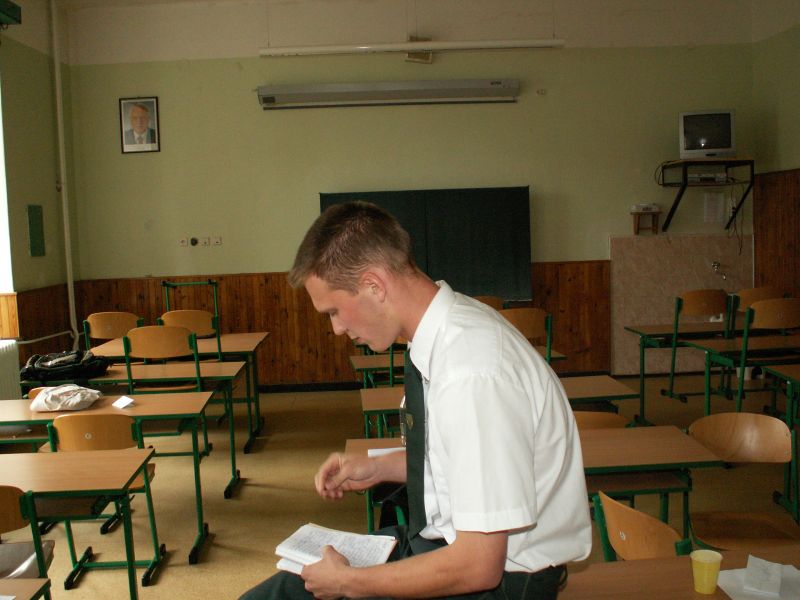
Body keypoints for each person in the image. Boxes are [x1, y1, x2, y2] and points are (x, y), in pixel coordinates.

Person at [240, 201, 591, 600]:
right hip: (444, 544)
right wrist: (379, 467)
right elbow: (458, 460)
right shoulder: (445, 330)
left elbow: (478, 567)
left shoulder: (471, 371)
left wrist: (348, 583)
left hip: (500, 582)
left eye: (334, 311)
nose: (336, 328)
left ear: (374, 285)